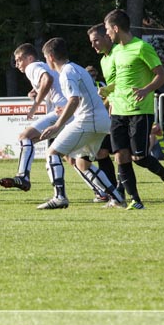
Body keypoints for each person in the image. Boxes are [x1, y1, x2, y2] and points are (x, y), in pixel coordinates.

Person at [36, 38, 125, 210]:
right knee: (82, 163)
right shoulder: (77, 68)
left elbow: (74, 100)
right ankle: (117, 198)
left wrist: (57, 125)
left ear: (51, 57)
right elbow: (82, 98)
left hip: (88, 120)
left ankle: (59, 197)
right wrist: (66, 110)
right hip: (100, 121)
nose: (47, 62)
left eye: (46, 58)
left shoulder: (66, 73)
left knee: (52, 153)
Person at [103, 9, 164, 209]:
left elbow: (162, 75)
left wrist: (146, 89)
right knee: (120, 156)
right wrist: (108, 94)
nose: (107, 33)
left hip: (139, 111)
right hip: (118, 111)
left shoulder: (142, 47)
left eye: (107, 29)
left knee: (139, 157)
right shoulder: (115, 52)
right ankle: (135, 200)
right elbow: (120, 81)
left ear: (116, 28)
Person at [0, 43, 69, 191]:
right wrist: (36, 91)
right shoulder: (43, 65)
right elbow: (50, 81)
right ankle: (104, 192)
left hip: (60, 111)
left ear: (29, 58)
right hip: (69, 112)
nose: (17, 64)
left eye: (19, 60)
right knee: (75, 160)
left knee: (25, 136)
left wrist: (35, 105)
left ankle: (23, 176)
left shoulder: (32, 66)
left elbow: (47, 79)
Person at [86, 24, 122, 202]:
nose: (93, 45)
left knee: (133, 156)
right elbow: (112, 91)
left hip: (127, 110)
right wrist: (106, 104)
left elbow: (125, 81)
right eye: (91, 42)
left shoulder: (120, 53)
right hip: (113, 114)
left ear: (107, 36)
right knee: (102, 152)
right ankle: (113, 191)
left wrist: (107, 91)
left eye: (96, 40)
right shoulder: (104, 60)